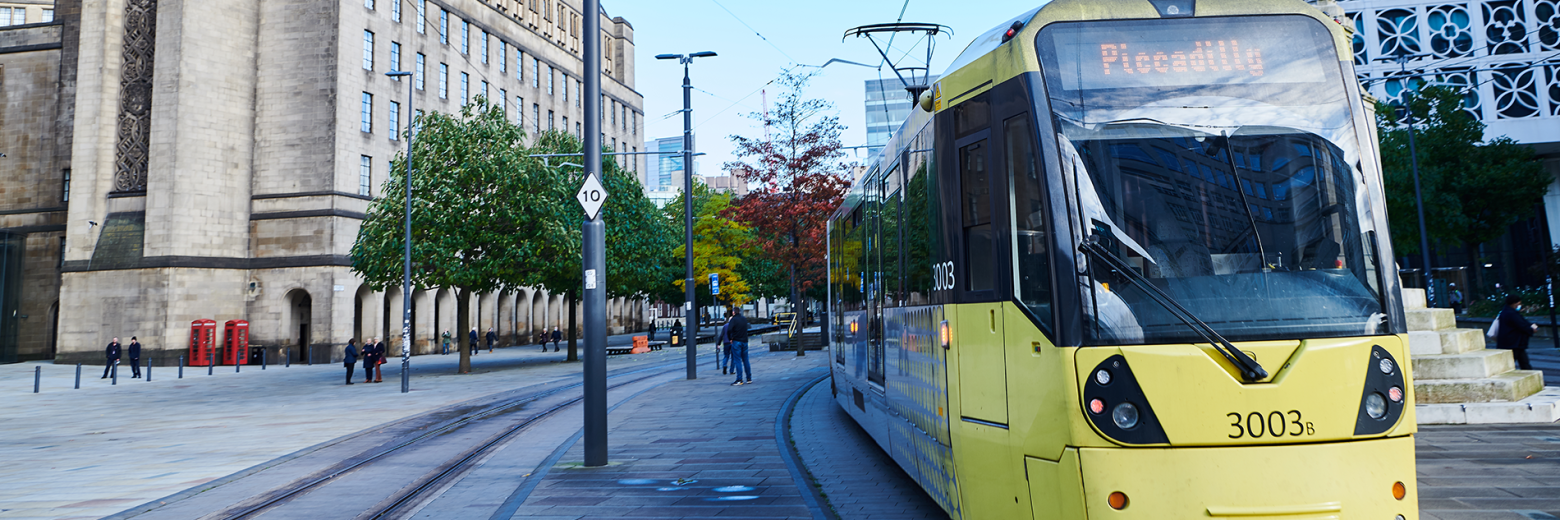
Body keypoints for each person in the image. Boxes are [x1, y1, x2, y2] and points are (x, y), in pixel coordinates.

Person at [1495, 295, 1538, 370]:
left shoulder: (1505, 312)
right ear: (1514, 303)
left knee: (1523, 362)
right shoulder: (1512, 313)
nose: (1519, 305)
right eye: (1518, 303)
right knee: (1522, 363)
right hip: (1514, 343)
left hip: (1511, 343)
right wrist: (1531, 329)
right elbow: (1521, 325)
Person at [729, 309, 751, 386]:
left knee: (737, 360)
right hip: (745, 341)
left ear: (733, 312)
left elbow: (729, 329)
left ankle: (739, 379)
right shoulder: (744, 319)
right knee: (746, 360)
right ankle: (749, 378)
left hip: (736, 341)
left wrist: (730, 338)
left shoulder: (733, 319)